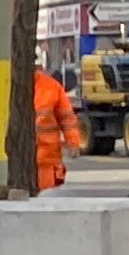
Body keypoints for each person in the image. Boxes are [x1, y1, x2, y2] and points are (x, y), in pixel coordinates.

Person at [32, 63, 80, 191]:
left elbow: (67, 118)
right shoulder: (50, 87)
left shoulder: (51, 87)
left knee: (47, 202)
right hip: (30, 159)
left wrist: (73, 142)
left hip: (46, 160)